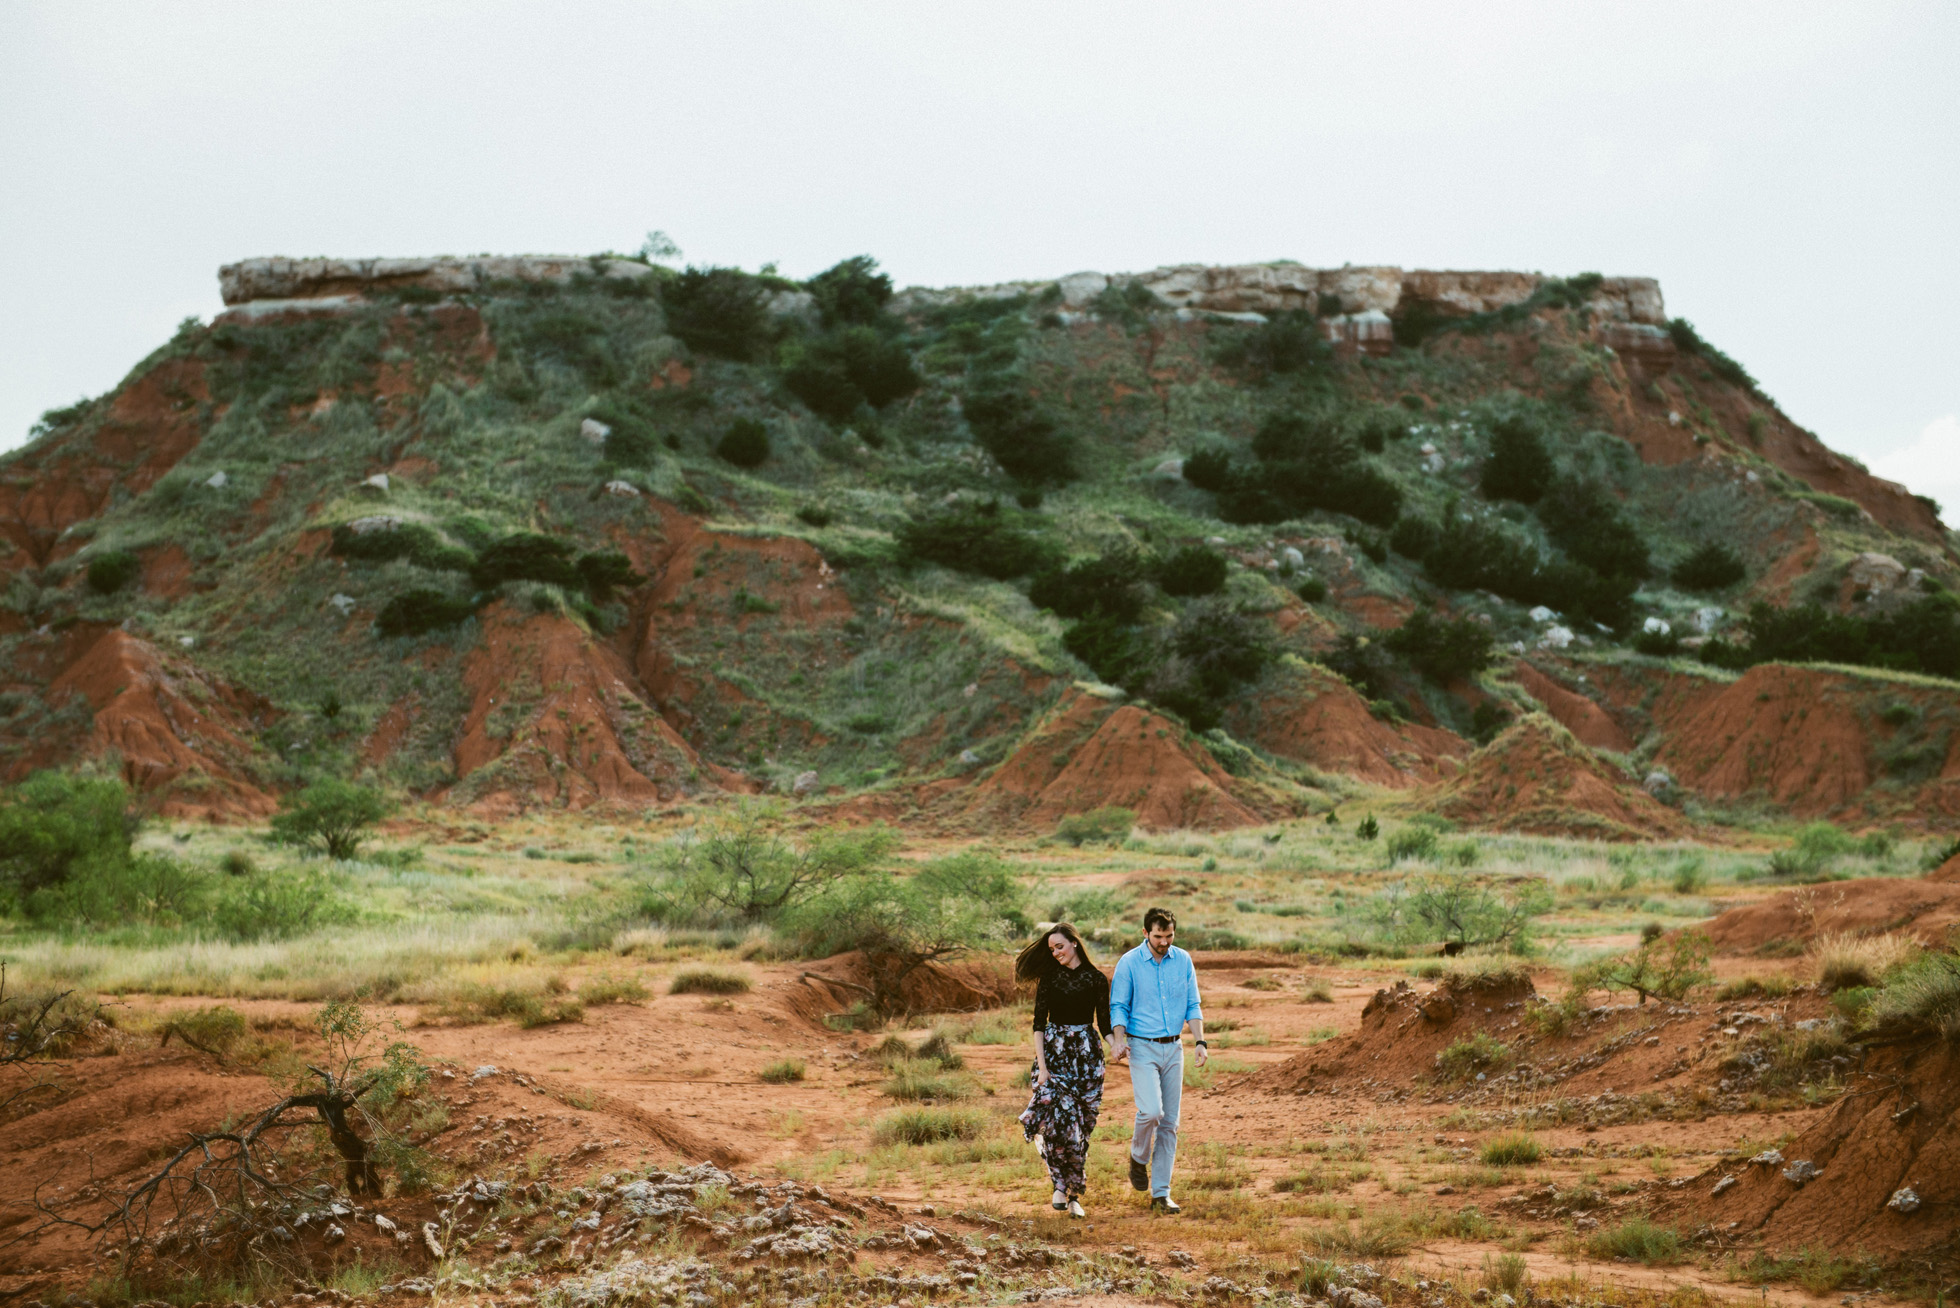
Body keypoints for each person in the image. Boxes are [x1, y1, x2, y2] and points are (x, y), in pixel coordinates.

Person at [1109, 906, 1205, 1213]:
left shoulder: (1184, 960)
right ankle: (1138, 1158)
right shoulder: (1129, 962)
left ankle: (1161, 1194)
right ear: (1145, 933)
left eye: (1169, 935)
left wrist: (1200, 1042)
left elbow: (1193, 1004)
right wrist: (1119, 1040)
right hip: (1141, 1047)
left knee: (1170, 1123)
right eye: (1158, 936)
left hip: (1174, 1047)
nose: (1164, 942)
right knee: (1151, 1111)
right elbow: (1119, 1006)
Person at [1014, 921, 1111, 1218]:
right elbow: (1039, 1026)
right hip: (1054, 1058)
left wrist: (1119, 1044)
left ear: (1075, 943)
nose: (1056, 953)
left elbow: (1104, 1024)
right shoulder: (1050, 979)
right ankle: (1060, 1186)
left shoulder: (1096, 979)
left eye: (1060, 947)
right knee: (1059, 1127)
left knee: (1080, 1130)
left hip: (1086, 1058)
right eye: (1051, 949)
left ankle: (1073, 1197)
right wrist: (1042, 1069)